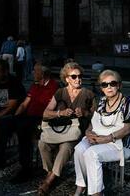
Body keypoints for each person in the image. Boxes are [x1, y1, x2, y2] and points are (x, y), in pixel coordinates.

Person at [0, 62, 59, 182]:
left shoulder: (54, 87)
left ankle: (26, 168)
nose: (33, 73)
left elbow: (51, 108)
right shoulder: (35, 85)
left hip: (41, 118)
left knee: (23, 129)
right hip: (28, 116)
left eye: (35, 71)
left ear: (43, 73)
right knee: (3, 124)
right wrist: (15, 117)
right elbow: (24, 104)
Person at [73, 70, 130, 196]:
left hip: (120, 144)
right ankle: (81, 186)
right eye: (104, 84)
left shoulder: (127, 102)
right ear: (101, 88)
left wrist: (107, 138)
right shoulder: (102, 101)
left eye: (112, 83)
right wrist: (88, 132)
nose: (109, 87)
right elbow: (94, 122)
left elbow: (128, 128)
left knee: (92, 154)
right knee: (79, 149)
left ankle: (96, 193)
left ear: (119, 85)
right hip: (100, 139)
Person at [38, 62, 96, 195]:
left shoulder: (88, 94)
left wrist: (85, 113)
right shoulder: (60, 92)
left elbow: (96, 116)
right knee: (42, 144)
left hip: (76, 133)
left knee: (66, 147)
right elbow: (46, 113)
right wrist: (60, 113)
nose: (78, 79)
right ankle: (51, 172)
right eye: (74, 76)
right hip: (58, 130)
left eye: (80, 76)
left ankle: (49, 180)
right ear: (67, 79)